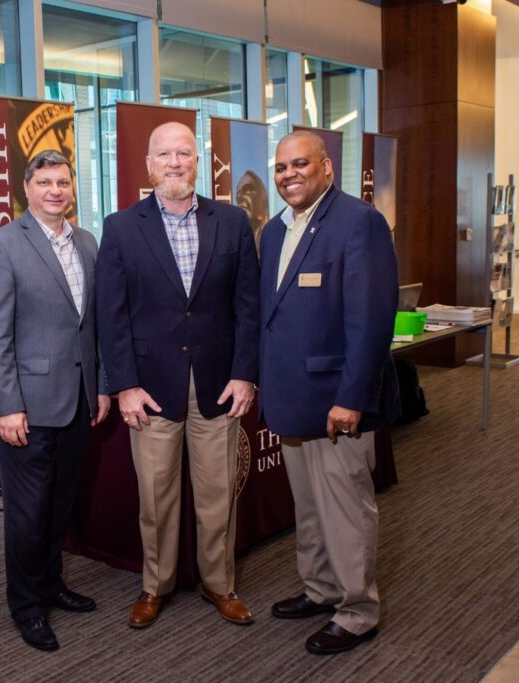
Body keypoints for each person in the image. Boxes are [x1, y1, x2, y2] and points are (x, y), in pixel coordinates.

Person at [96, 122, 261, 629]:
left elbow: (248, 307)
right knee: (157, 498)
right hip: (149, 389)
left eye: (183, 154)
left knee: (217, 497)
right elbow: (112, 314)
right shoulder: (121, 227)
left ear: (198, 161)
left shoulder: (232, 222)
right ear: (149, 165)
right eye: (163, 154)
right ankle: (155, 586)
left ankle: (219, 584)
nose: (174, 162)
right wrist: (123, 384)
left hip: (218, 383)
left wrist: (245, 374)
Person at [258, 130, 399, 655]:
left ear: (326, 168)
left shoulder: (358, 223)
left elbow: (371, 319)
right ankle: (319, 589)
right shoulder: (273, 231)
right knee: (311, 507)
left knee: (345, 509)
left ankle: (358, 611)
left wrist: (353, 397)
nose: (289, 175)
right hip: (292, 399)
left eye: (300, 164)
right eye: (280, 167)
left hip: (337, 402)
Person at [0, 150, 110, 651]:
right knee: (27, 513)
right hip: (25, 408)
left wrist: (100, 386)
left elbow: (91, 325)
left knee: (59, 506)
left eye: (63, 182)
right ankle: (27, 606)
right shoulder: (2, 246)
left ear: (72, 188)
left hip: (78, 401)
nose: (55, 190)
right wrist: (8, 405)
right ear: (27, 189)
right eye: (45, 182)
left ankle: (52, 584)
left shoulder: (88, 242)